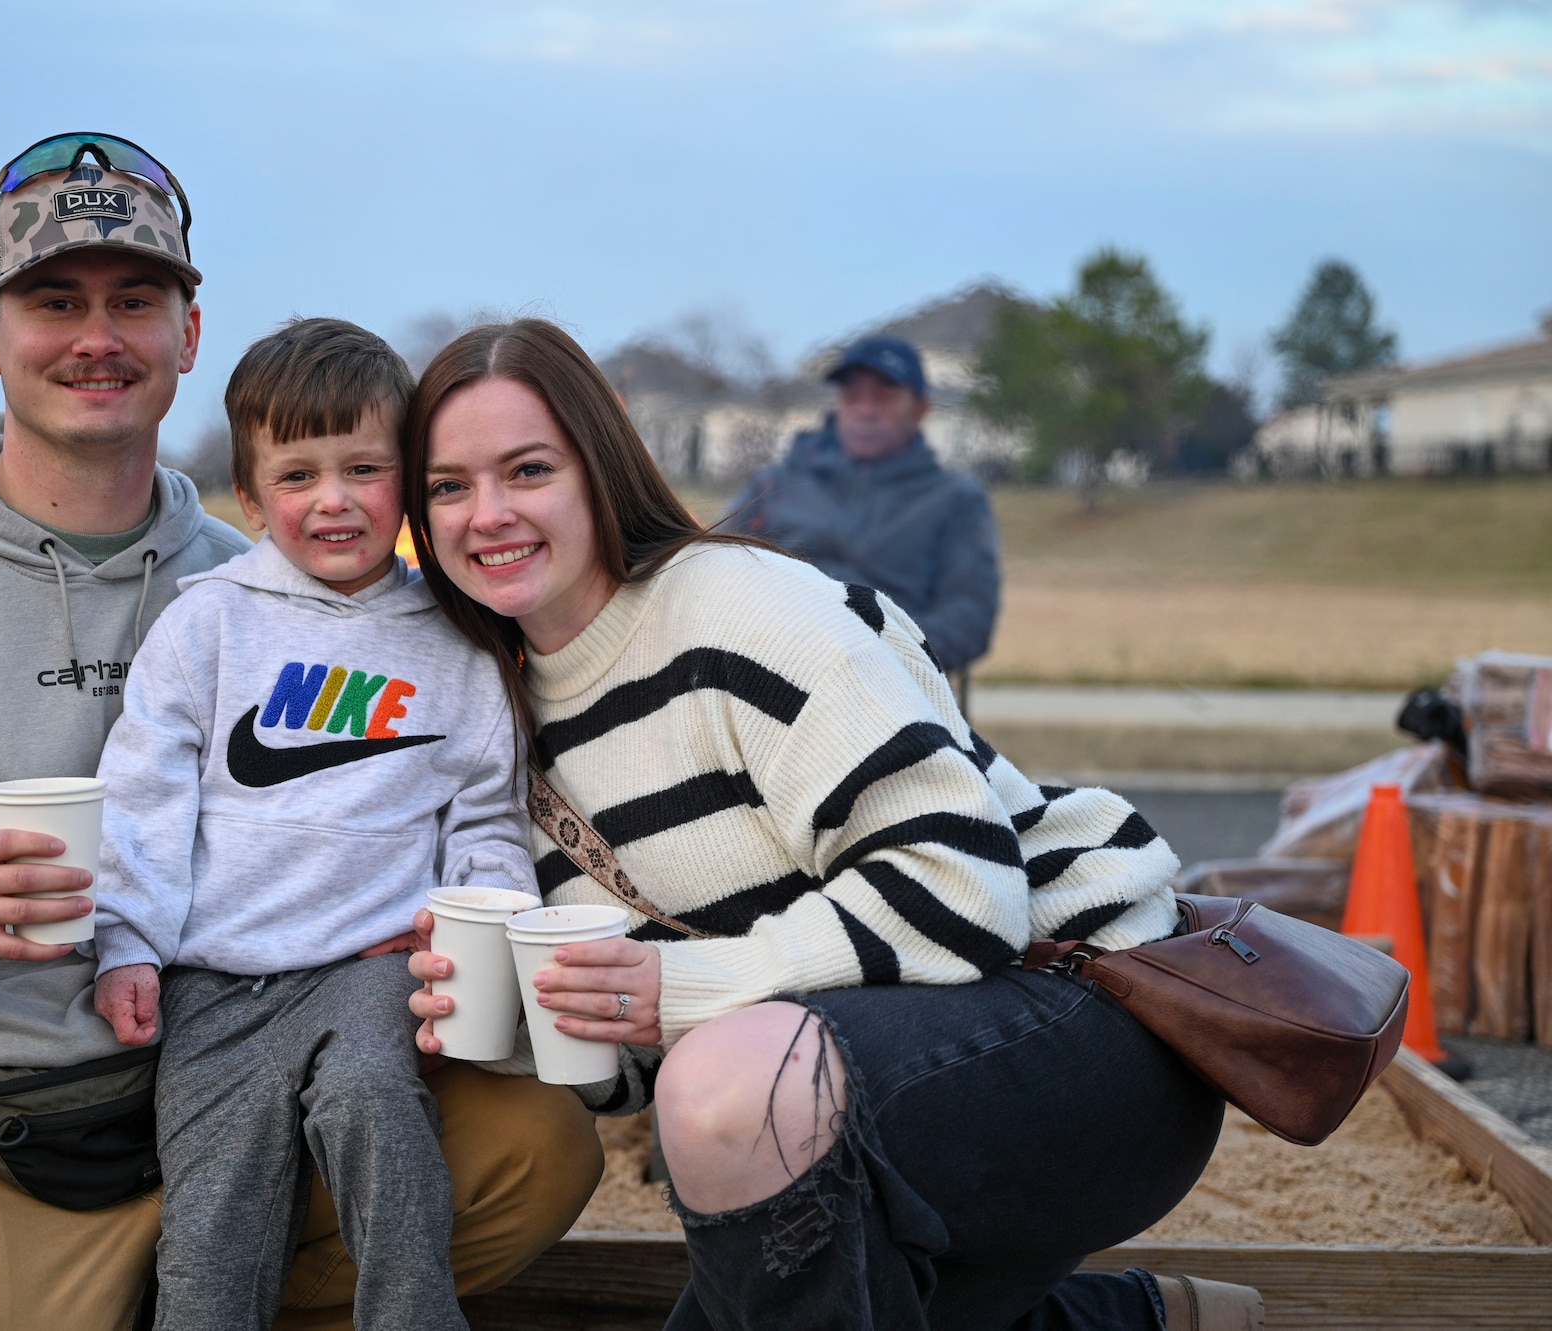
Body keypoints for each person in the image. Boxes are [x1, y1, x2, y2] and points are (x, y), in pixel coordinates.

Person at [0, 139, 598, 1331]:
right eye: (54, 301)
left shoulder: (272, 587)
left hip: (263, 1051)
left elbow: (445, 787)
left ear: (189, 333)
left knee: (538, 1149)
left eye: (135, 301)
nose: (96, 337)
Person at [400, 320, 1263, 1330]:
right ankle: (1131, 1320)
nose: (487, 513)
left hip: (1082, 1028)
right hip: (836, 1080)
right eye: (449, 485)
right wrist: (508, 1020)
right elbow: (631, 1057)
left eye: (526, 469)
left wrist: (676, 991)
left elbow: (961, 886)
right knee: (748, 1150)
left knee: (727, 1088)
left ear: (598, 467)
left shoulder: (730, 607)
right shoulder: (496, 715)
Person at [89, 317, 537, 1330]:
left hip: (368, 965)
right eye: (296, 475)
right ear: (250, 497)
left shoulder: (455, 641)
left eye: (363, 467)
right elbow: (144, 796)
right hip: (217, 981)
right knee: (209, 1230)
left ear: (407, 482)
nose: (331, 499)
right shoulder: (207, 622)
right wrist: (125, 941)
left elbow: (484, 812)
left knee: (375, 1108)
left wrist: (486, 914)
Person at [724, 334, 997, 674]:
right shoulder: (773, 486)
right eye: (853, 397)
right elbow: (716, 574)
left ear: (920, 409)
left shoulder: (955, 499)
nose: (866, 411)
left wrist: (870, 654)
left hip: (895, 687)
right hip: (771, 675)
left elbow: (968, 620)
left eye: (884, 398)